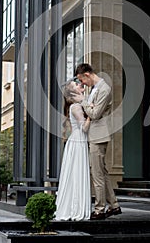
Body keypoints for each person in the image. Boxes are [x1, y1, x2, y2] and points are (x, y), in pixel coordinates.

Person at [74, 63, 122, 220]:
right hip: (95, 134)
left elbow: (94, 114)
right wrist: (88, 104)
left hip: (99, 135)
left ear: (87, 74)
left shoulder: (104, 89)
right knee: (102, 172)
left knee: (97, 174)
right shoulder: (95, 89)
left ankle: (99, 209)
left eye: (82, 80)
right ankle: (114, 206)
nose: (82, 84)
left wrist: (83, 101)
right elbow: (92, 110)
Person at [55, 80, 91, 221]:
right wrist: (92, 115)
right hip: (78, 141)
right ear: (73, 92)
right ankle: (76, 208)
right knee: (77, 173)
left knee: (75, 173)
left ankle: (74, 206)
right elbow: (84, 128)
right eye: (76, 85)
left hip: (77, 141)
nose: (80, 85)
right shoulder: (76, 106)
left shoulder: (76, 105)